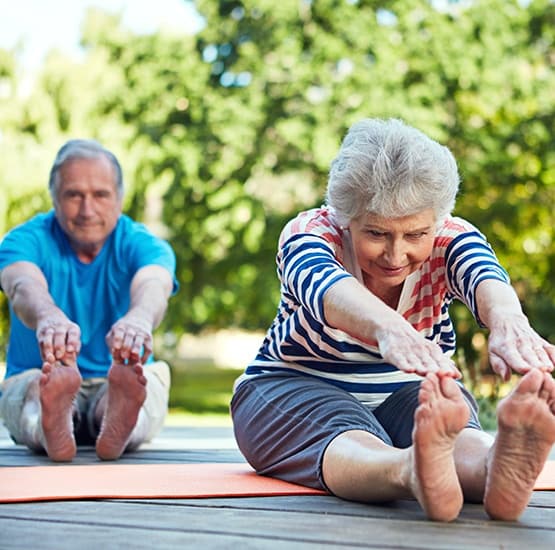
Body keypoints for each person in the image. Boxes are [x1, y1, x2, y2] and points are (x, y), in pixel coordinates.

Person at [231, 118, 555, 522]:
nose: (396, 255)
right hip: (297, 385)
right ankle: (410, 470)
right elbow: (329, 289)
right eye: (377, 234)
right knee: (344, 429)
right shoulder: (309, 233)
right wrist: (390, 330)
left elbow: (485, 277)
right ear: (346, 219)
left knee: (445, 420)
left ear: (437, 220)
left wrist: (510, 325)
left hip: (409, 391)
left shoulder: (452, 236)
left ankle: (491, 468)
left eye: (416, 235)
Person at [0, 139, 178, 462]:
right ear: (54, 197)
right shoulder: (23, 241)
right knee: (33, 394)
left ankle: (117, 417)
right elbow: (22, 284)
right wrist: (48, 317)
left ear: (120, 198)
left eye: (100, 195)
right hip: (39, 372)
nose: (87, 210)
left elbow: (154, 285)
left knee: (139, 388)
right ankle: (52, 421)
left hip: (122, 372)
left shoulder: (144, 244)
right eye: (73, 195)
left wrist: (138, 318)